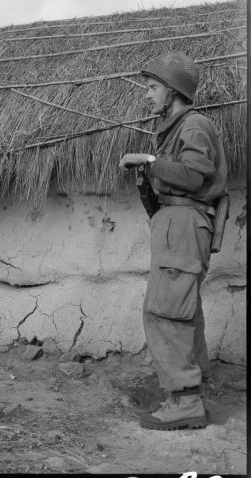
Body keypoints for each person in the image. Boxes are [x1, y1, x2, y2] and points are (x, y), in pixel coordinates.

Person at [118, 51, 228, 431]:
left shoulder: (194, 125)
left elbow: (196, 176)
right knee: (181, 308)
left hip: (184, 223)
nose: (147, 95)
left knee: (167, 311)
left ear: (173, 90)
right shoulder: (179, 127)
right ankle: (191, 390)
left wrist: (149, 160)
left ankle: (185, 401)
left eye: (152, 88)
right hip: (176, 224)